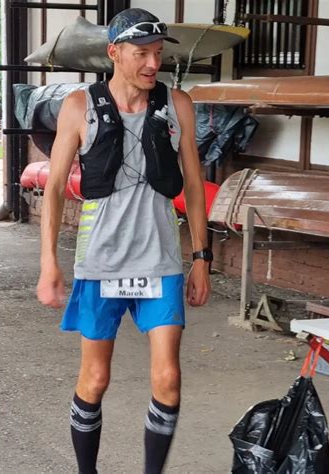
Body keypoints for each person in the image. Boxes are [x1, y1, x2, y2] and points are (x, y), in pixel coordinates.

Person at [36, 7, 212, 473]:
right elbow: (53, 187)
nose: (153, 64)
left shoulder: (178, 105)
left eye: (158, 54)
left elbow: (193, 184)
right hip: (101, 262)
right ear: (114, 53)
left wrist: (201, 257)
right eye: (142, 54)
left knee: (168, 378)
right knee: (95, 379)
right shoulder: (79, 106)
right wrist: (49, 264)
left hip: (160, 262)